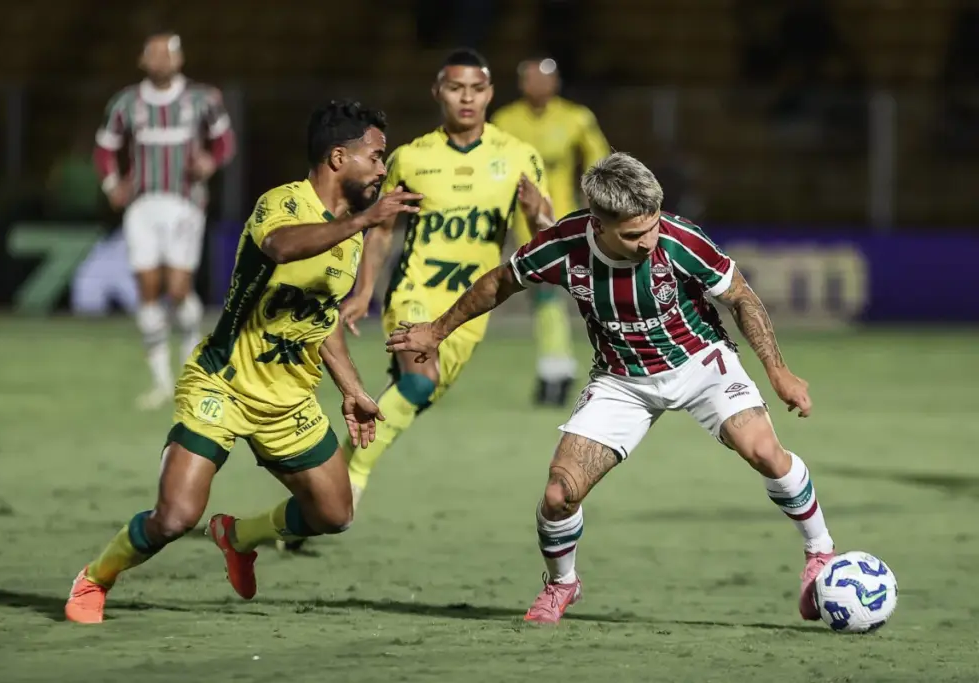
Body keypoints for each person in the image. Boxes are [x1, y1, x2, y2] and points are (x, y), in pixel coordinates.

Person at [386, 152, 837, 624]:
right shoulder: (562, 245)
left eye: (653, 226)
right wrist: (438, 330)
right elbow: (501, 281)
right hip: (622, 381)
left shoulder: (681, 240)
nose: (649, 242)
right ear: (598, 225)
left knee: (763, 450)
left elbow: (740, 296)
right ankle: (563, 584)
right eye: (634, 234)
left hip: (701, 363)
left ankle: (819, 553)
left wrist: (777, 371)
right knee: (559, 494)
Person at [65, 100, 423, 624]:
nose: (382, 169)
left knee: (334, 514)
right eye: (375, 156)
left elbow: (318, 322)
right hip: (223, 385)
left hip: (289, 399)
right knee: (175, 517)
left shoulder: (350, 232)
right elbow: (280, 247)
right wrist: (367, 220)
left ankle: (237, 536)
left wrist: (351, 388)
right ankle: (96, 577)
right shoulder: (282, 204)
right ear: (338, 157)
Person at [332, 48, 555, 517]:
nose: (466, 98)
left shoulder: (518, 157)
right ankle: (350, 482)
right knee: (419, 379)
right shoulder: (411, 158)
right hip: (415, 294)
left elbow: (545, 242)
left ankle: (320, 493)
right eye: (456, 88)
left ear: (490, 93)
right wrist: (364, 291)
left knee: (418, 394)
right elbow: (383, 230)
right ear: (439, 92)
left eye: (476, 89)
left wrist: (537, 216)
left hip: (471, 309)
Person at [94, 32, 235, 410]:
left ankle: (192, 368)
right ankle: (161, 382)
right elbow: (105, 149)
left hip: (185, 203)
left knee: (178, 289)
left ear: (180, 59)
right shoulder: (126, 103)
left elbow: (225, 142)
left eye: (167, 53)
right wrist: (112, 184)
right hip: (141, 205)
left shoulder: (203, 99)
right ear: (142, 60)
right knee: (148, 290)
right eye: (153, 53)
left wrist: (210, 162)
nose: (161, 60)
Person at [492, 57, 611, 406]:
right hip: (525, 222)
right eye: (531, 80)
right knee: (544, 294)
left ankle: (571, 368)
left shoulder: (576, 118)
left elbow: (601, 163)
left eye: (545, 79)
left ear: (556, 82)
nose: (539, 86)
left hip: (569, 220)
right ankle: (556, 368)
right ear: (521, 84)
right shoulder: (504, 121)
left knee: (586, 293)